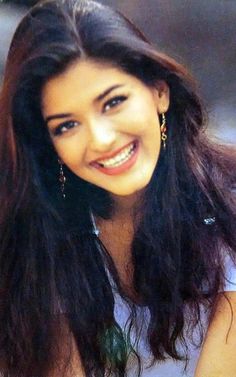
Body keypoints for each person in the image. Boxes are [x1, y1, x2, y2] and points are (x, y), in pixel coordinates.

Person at [0, 0, 236, 376]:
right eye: (66, 126)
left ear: (160, 91)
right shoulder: (38, 240)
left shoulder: (227, 206)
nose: (101, 138)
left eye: (113, 102)